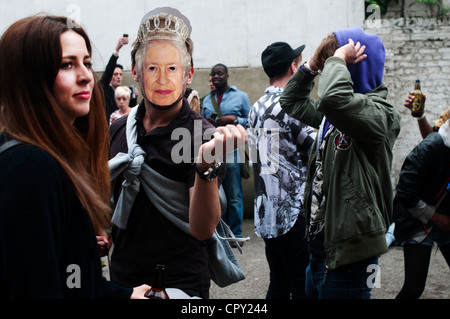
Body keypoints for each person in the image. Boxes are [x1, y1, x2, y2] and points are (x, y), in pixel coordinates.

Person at [0, 15, 149, 298]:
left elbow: (71, 280)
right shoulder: (31, 167)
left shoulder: (55, 157)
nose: (85, 76)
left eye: (87, 63)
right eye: (67, 64)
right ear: (29, 77)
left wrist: (125, 294)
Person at [108, 7, 247, 299]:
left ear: (188, 75)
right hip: (122, 281)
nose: (162, 80)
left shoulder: (201, 136)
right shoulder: (119, 128)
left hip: (178, 285)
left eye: (172, 68)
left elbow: (201, 228)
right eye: (152, 68)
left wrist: (206, 164)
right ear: (135, 72)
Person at [280, 27, 401, 299]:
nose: (328, 71)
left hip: (350, 254)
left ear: (356, 67)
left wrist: (336, 60)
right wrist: (311, 66)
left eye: (339, 63)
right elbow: (290, 101)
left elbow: (333, 98)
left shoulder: (380, 114)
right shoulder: (334, 115)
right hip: (322, 245)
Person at [247, 42, 316, 299]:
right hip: (292, 212)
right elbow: (317, 150)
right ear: (293, 66)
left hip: (266, 212)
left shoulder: (255, 108)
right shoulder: (290, 106)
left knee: (278, 281)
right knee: (301, 285)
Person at [393, 120, 450, 299]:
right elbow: (405, 192)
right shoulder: (430, 147)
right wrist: (435, 217)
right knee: (414, 288)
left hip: (445, 220)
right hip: (416, 222)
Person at [202, 63, 251, 242]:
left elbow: (251, 120)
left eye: (220, 73)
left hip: (233, 149)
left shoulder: (241, 97)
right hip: (213, 150)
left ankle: (236, 233)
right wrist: (206, 122)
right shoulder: (207, 100)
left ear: (227, 75)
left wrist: (236, 119)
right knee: (215, 192)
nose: (216, 76)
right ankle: (220, 233)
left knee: (234, 192)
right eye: (213, 73)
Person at [99, 37, 138, 120]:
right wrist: (117, 49)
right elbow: (107, 73)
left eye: (120, 74)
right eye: (115, 74)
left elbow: (129, 111)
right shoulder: (104, 89)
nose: (118, 77)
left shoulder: (123, 91)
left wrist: (134, 98)